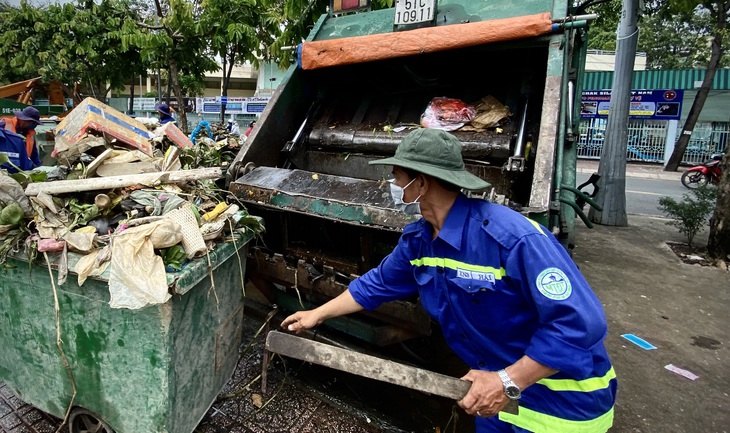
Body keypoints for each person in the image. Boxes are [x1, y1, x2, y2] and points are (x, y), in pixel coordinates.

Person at [281, 128, 617, 433]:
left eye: (398, 178)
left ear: (422, 183)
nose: (393, 187)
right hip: (492, 398)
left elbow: (581, 324)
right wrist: (317, 314)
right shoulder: (420, 240)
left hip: (563, 407)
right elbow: (375, 285)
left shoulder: (512, 239)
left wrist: (508, 381)